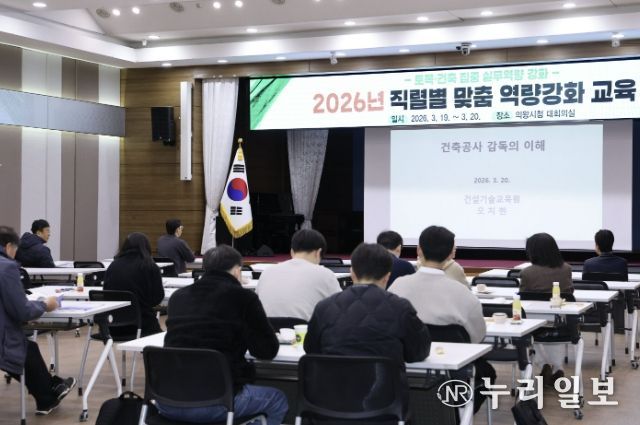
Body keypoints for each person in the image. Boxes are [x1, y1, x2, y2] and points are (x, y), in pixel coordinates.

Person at [159, 245, 287, 425]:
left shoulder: (178, 297)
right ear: (237, 271)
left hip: (165, 398)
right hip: (217, 400)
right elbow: (267, 351)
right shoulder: (243, 298)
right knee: (277, 399)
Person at [304, 243, 430, 413]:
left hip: (327, 406)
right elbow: (419, 352)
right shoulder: (400, 308)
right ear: (387, 276)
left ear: (352, 272)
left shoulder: (324, 307)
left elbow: (311, 350)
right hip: (384, 407)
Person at [389, 225, 493, 413]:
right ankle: (458, 415)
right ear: (451, 254)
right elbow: (478, 336)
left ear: (419, 250)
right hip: (453, 378)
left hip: (402, 378)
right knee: (487, 374)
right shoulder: (463, 294)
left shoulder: (397, 287)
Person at [0, 226, 75, 415]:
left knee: (26, 348)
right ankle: (48, 396)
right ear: (8, 246)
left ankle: (52, 389)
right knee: (22, 350)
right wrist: (45, 305)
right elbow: (22, 310)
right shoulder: (7, 267)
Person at [519, 232, 573, 386]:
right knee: (555, 319)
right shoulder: (566, 269)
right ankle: (557, 368)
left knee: (529, 328)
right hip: (563, 324)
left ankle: (544, 365)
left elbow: (523, 298)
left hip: (535, 324)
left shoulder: (527, 273)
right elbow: (570, 293)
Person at [256, 229, 341, 321]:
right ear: (318, 252)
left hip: (266, 328)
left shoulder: (267, 272)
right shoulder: (325, 274)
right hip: (303, 329)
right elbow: (341, 307)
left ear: (291, 252)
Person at [103, 233, 164, 336]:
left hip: (111, 325)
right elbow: (157, 298)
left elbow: (106, 292)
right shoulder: (150, 266)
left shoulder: (113, 266)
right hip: (142, 325)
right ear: (146, 247)